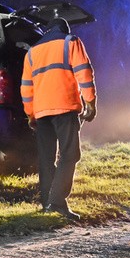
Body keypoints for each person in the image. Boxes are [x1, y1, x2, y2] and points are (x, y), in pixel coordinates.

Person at [21, 17, 97, 221]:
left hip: (41, 112)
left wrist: (30, 114)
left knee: (46, 158)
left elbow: (26, 88)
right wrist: (90, 102)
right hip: (65, 107)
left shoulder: (32, 52)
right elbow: (84, 73)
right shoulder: (70, 42)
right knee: (69, 154)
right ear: (64, 29)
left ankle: (47, 202)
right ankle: (57, 203)